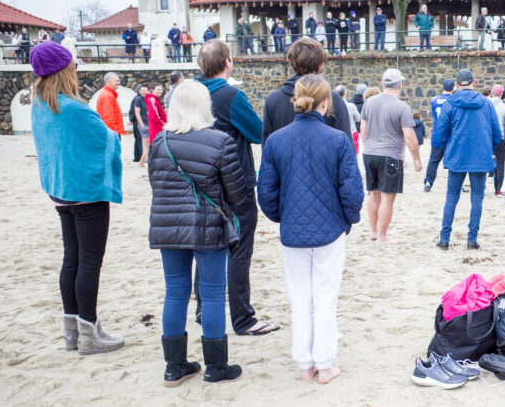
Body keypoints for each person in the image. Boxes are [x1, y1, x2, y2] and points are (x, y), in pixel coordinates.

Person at [258, 74, 363, 384]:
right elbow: (352, 190)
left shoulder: (277, 140)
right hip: (329, 228)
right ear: (325, 102)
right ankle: (324, 363)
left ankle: (305, 363)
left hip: (293, 230)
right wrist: (348, 219)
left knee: (299, 296)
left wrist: (282, 216)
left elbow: (265, 190)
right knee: (326, 296)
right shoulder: (338, 139)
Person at [148, 80, 247, 385]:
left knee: (175, 292)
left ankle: (174, 366)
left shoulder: (159, 141)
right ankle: (216, 367)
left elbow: (155, 182)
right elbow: (237, 193)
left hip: (167, 226)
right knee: (213, 292)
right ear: (205, 106)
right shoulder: (220, 141)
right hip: (207, 226)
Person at [29, 41, 124, 355]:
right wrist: (113, 135)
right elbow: (105, 141)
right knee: (89, 263)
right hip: (85, 193)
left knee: (71, 258)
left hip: (59, 191)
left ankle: (72, 331)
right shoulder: (73, 108)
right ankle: (90, 333)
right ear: (64, 70)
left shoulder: (40, 103)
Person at [195, 39, 278, 336]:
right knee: (239, 248)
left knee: (207, 245)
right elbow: (257, 133)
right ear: (227, 62)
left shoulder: (189, 92)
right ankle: (243, 318)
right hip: (234, 181)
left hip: (198, 181)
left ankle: (203, 308)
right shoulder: (230, 94)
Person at [432, 69, 503, 250]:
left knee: (451, 197)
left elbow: (439, 133)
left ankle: (444, 238)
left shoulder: (450, 104)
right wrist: (489, 149)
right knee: (477, 199)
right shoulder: (486, 104)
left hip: (457, 155)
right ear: (474, 82)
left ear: (457, 84)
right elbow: (497, 133)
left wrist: (445, 148)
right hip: (480, 155)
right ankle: (471, 239)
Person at [361, 68, 422, 242]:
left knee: (374, 195)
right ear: (400, 85)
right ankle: (382, 235)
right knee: (388, 198)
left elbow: (362, 129)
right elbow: (409, 136)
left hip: (370, 153)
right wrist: (416, 159)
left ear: (383, 83)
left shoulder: (369, 103)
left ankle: (373, 231)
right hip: (390, 155)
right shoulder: (401, 107)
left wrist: (369, 147)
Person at [262, 38, 353, 144]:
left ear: (292, 63)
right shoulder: (333, 99)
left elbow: (267, 146)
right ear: (320, 65)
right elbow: (346, 146)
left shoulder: (273, 100)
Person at [423, 78, 454, 191]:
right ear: (453, 89)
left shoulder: (434, 100)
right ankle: (455, 184)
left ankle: (428, 182)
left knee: (434, 160)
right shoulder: (454, 100)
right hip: (450, 135)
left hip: (437, 134)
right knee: (452, 161)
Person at [489, 84, 505, 195]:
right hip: (500, 137)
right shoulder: (504, 107)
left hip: (487, 137)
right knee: (501, 163)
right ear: (501, 95)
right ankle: (499, 189)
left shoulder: (485, 104)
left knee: (485, 161)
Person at [130, 84, 149, 164]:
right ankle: (141, 159)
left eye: (145, 90)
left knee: (142, 141)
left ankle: (140, 159)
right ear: (139, 91)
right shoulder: (137, 99)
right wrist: (132, 120)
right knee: (141, 141)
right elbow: (134, 111)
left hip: (144, 122)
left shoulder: (148, 99)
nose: (144, 92)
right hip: (139, 122)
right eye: (142, 90)